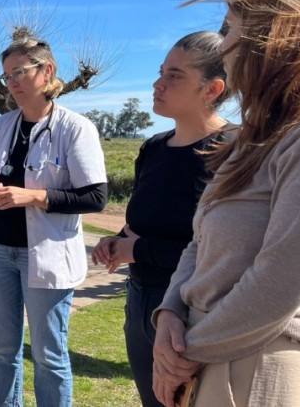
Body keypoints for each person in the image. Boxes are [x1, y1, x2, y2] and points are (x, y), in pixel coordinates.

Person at [152, 0, 300, 407]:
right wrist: (169, 314)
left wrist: (183, 353)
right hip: (205, 354)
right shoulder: (249, 141)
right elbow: (199, 241)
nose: (222, 48)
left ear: (275, 36)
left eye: (229, 29)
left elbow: (281, 282)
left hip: (257, 366)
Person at [91, 31, 230, 407]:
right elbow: (144, 221)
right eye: (160, 72)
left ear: (213, 89)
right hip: (139, 301)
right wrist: (117, 241)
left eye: (175, 75)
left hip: (194, 313)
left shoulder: (235, 152)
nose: (158, 84)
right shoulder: (153, 148)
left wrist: (139, 250)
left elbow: (223, 253)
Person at [0, 37, 107, 407]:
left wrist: (34, 197)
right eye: (7, 75)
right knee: (2, 350)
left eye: (19, 72)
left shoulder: (75, 128)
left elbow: (95, 197)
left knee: (49, 356)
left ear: (48, 71)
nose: (11, 82)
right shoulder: (2, 126)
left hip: (45, 255)